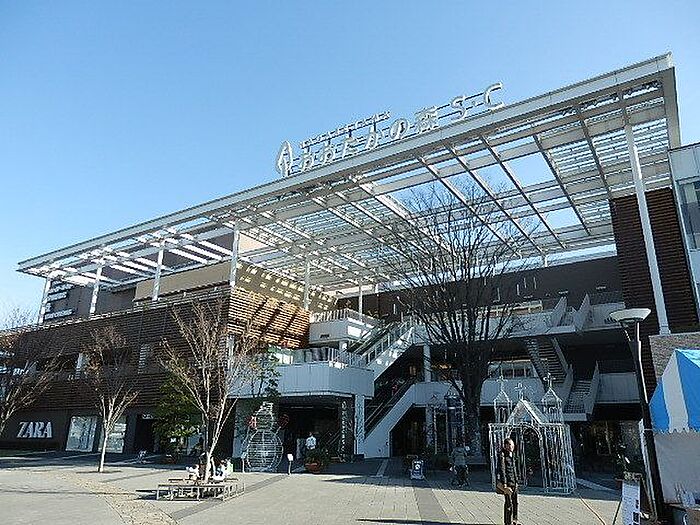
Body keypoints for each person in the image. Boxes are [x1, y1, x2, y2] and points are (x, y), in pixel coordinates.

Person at [497, 438, 520, 525]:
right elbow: (502, 470)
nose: (512, 446)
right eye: (510, 444)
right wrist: (504, 484)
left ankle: (514, 520)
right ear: (506, 446)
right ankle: (508, 522)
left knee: (515, 502)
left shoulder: (512, 455)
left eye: (512, 444)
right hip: (508, 483)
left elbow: (514, 469)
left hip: (514, 482)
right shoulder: (502, 456)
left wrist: (517, 481)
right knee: (508, 503)